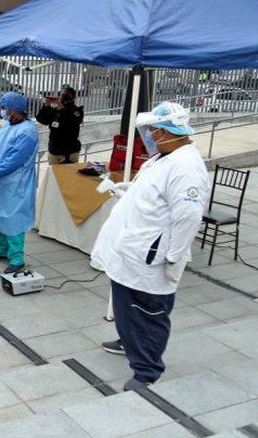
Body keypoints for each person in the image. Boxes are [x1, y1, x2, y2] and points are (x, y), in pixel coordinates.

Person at [93, 102, 208, 391]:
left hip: (152, 257)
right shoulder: (161, 158)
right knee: (126, 305)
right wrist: (126, 190)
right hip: (132, 251)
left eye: (153, 130)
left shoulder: (186, 167)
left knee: (149, 312)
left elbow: (188, 216)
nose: (150, 135)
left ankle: (147, 371)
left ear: (169, 131)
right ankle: (128, 341)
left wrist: (174, 257)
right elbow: (152, 193)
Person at [0, 92, 39, 274]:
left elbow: (15, 158)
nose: (3, 112)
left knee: (14, 217)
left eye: (5, 108)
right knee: (0, 214)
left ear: (15, 110)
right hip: (4, 180)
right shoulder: (7, 125)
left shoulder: (27, 131)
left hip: (18, 181)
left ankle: (17, 258)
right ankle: (2, 249)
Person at [36, 86, 84, 164]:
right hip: (54, 151)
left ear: (74, 98)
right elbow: (42, 120)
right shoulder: (55, 111)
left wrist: (63, 110)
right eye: (63, 94)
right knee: (53, 175)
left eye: (67, 94)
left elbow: (75, 121)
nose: (64, 96)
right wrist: (46, 107)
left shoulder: (77, 111)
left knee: (68, 175)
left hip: (70, 152)